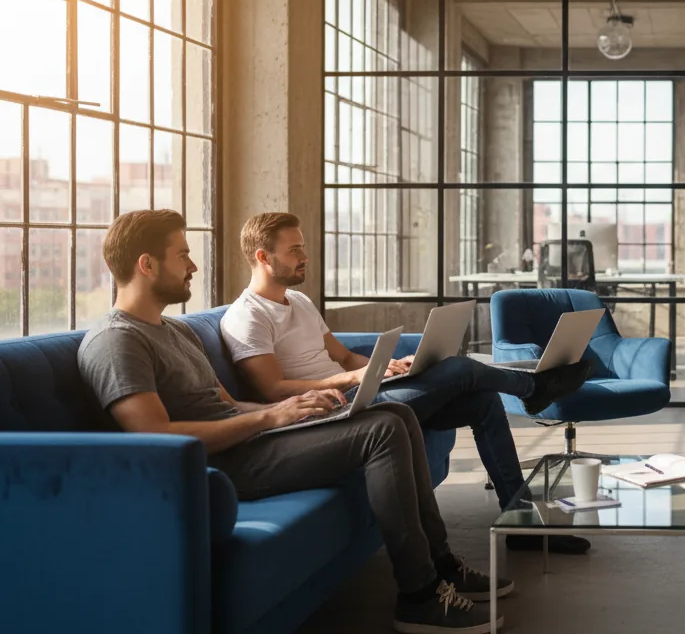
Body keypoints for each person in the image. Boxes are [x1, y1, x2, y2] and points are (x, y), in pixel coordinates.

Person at [77, 210, 503, 633]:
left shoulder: (175, 331)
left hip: (253, 439)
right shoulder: (117, 342)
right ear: (146, 265)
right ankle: (419, 596)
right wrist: (270, 415)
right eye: (183, 255)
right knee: (382, 431)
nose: (193, 266)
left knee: (395, 412)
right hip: (222, 465)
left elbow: (226, 404)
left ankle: (443, 565)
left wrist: (300, 408)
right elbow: (156, 438)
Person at [219, 212, 591, 554]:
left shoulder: (298, 300)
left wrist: (388, 367)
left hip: (360, 393)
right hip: (329, 415)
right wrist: (353, 377)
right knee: (460, 370)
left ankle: (520, 522)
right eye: (294, 249)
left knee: (483, 402)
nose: (304, 255)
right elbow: (272, 390)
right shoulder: (246, 317)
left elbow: (345, 357)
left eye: (302, 246)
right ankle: (532, 388)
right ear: (264, 257)